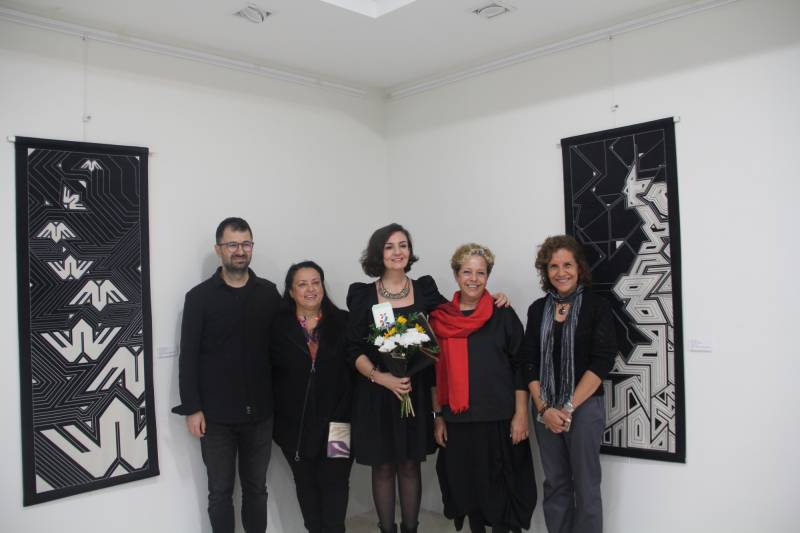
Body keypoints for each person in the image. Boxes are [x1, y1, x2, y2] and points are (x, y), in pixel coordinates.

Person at [172, 217, 281, 533]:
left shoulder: (268, 293)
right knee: (220, 493)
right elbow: (188, 357)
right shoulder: (199, 298)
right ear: (218, 249)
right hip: (216, 417)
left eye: (246, 244)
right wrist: (192, 408)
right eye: (232, 244)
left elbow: (281, 348)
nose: (240, 251)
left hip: (261, 413)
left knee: (256, 489)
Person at [345, 223, 447, 533]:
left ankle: (411, 528)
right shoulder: (363, 294)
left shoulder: (424, 288)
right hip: (377, 391)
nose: (397, 252)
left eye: (403, 245)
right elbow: (352, 349)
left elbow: (453, 316)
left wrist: (492, 299)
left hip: (414, 391)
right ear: (378, 253)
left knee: (410, 465)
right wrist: (382, 377)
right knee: (383, 467)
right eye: (389, 247)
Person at [430, 243, 536, 533]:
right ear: (456, 275)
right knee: (468, 489)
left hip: (499, 418)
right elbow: (434, 374)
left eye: (481, 273)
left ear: (488, 276)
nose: (473, 279)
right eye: (467, 272)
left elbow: (521, 367)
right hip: (458, 420)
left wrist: (521, 415)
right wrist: (438, 417)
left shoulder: (503, 314)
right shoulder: (439, 319)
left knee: (502, 490)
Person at [520, 235, 617, 533]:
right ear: (545, 271)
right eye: (553, 266)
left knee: (586, 486)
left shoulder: (597, 307)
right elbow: (528, 362)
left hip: (584, 409)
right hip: (545, 409)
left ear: (579, 268)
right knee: (556, 483)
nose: (561, 272)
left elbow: (601, 362)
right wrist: (544, 409)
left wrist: (568, 407)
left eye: (567, 265)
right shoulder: (537, 310)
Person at [271, 261, 354, 533]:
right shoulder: (277, 328)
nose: (310, 289)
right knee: (306, 487)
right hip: (294, 427)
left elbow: (354, 371)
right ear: (291, 292)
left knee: (336, 485)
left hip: (339, 425)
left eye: (316, 282)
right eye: (302, 284)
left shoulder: (343, 321)